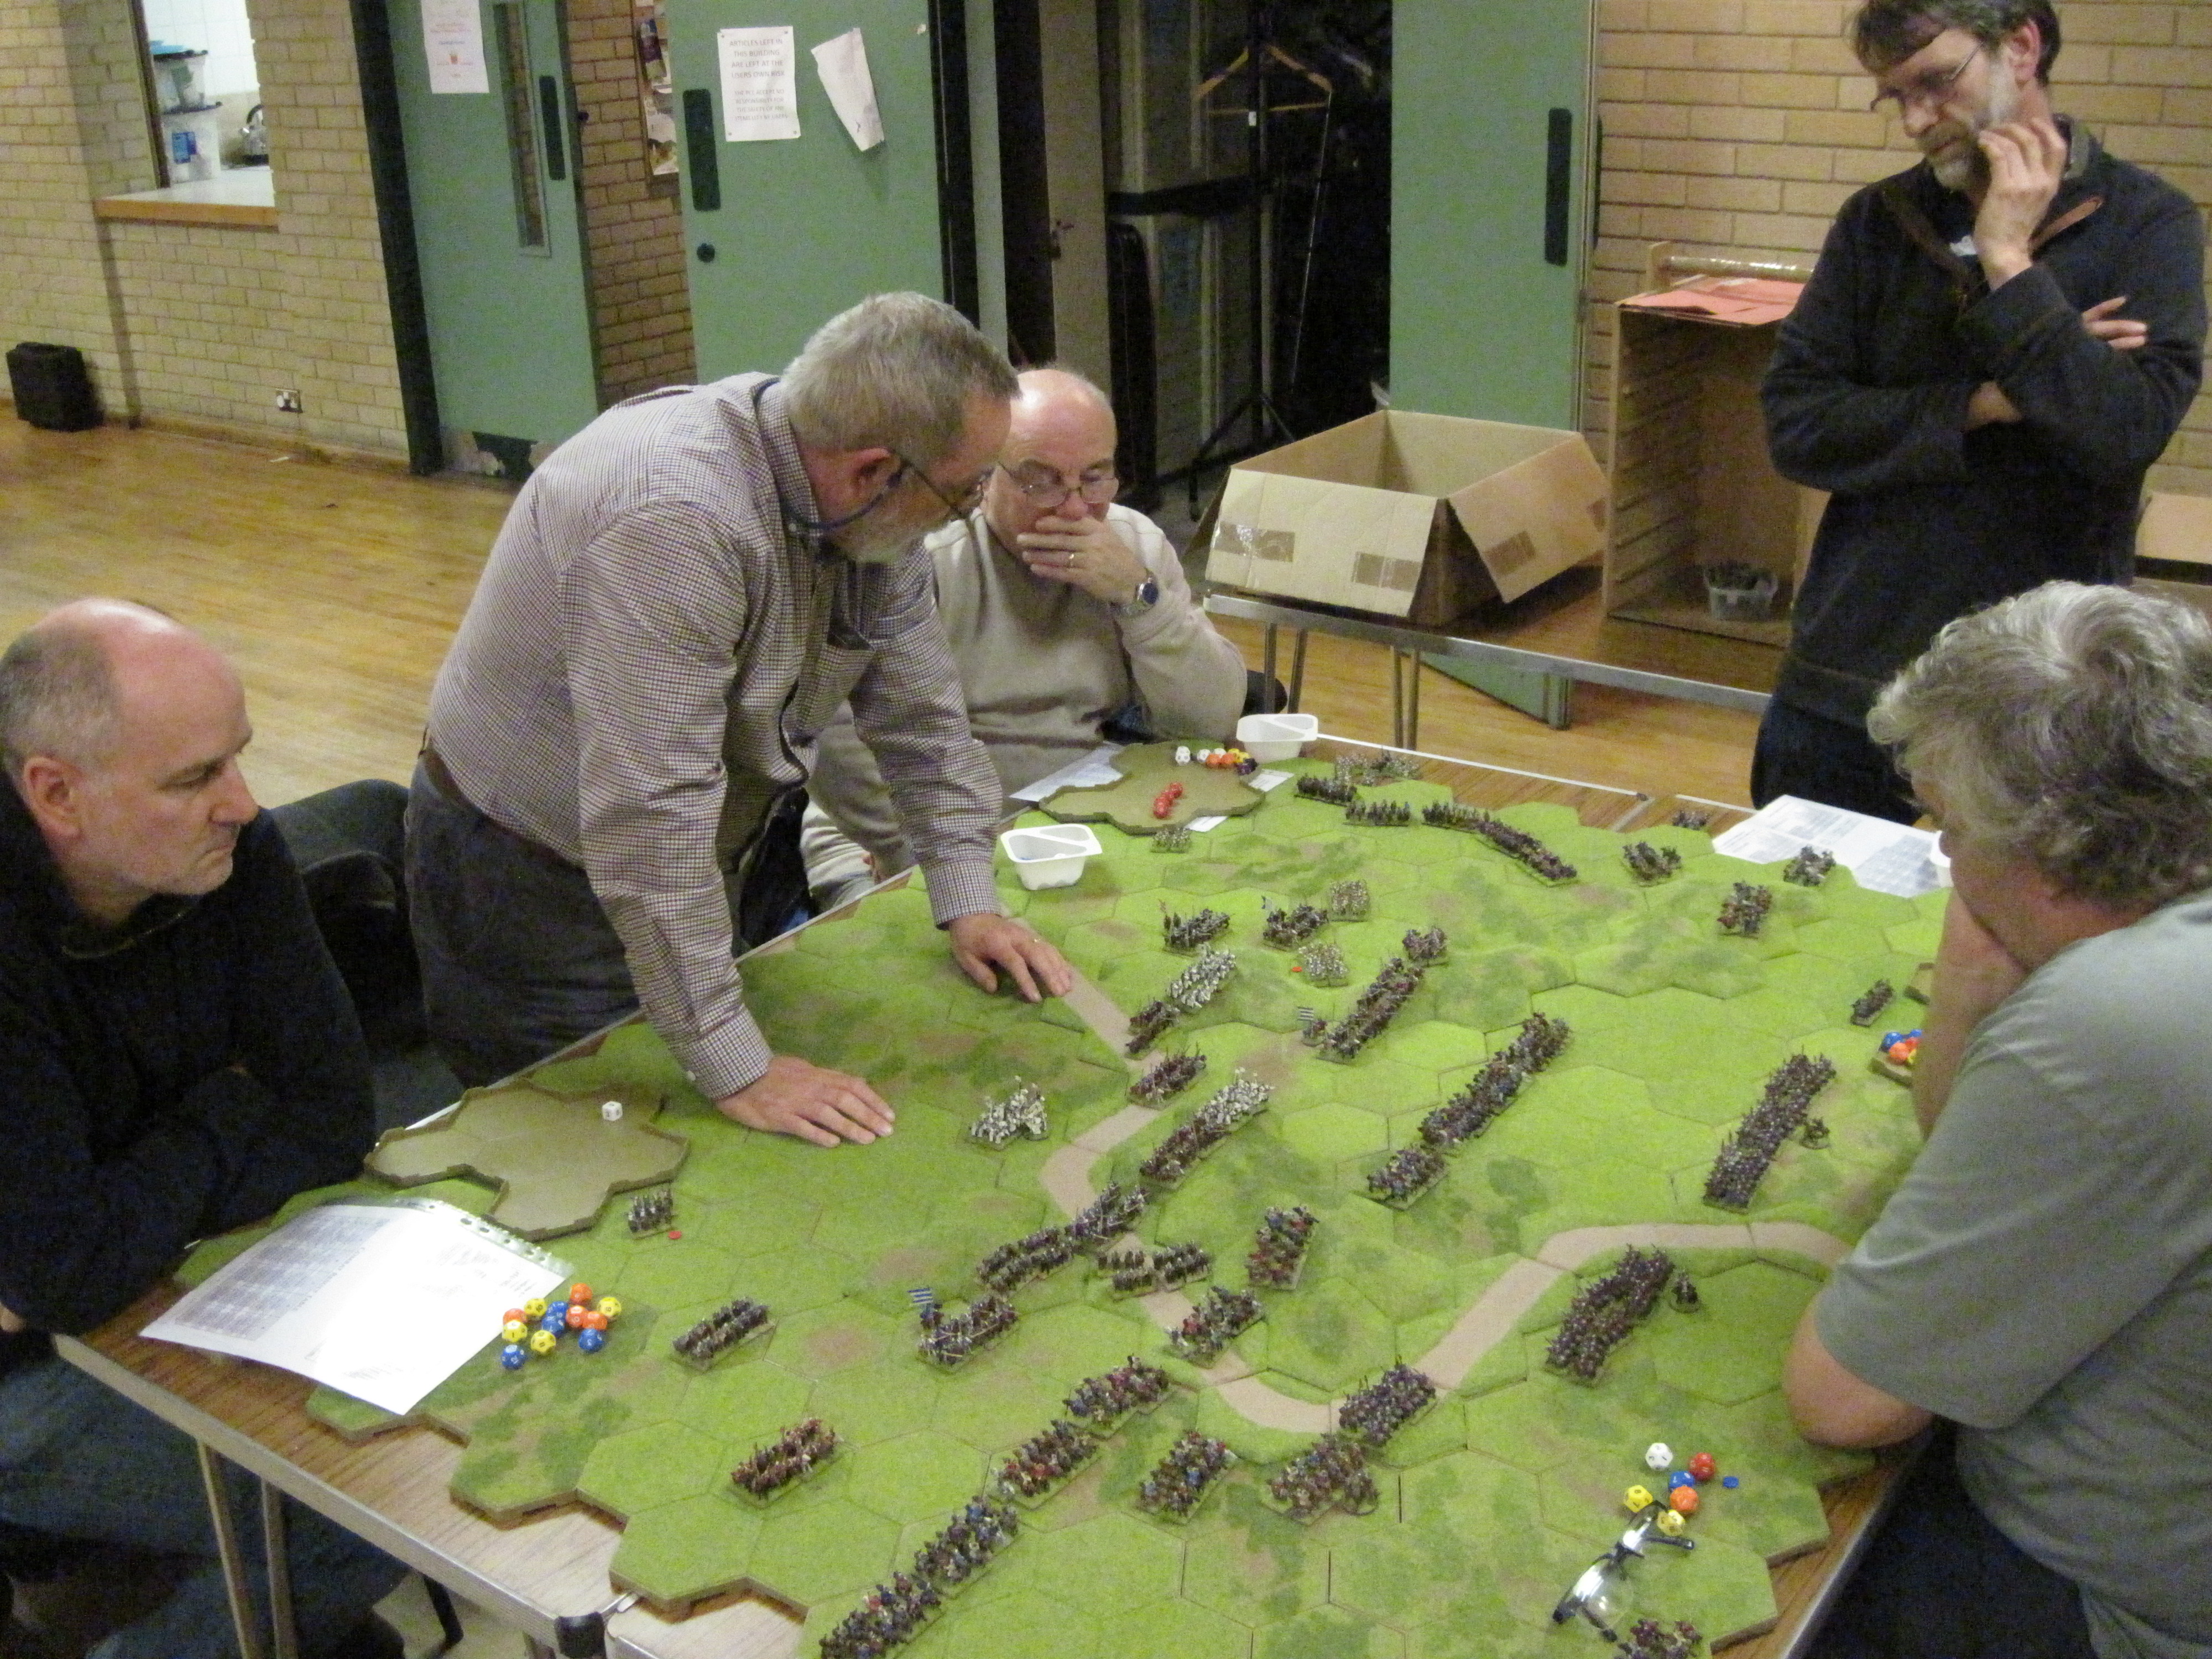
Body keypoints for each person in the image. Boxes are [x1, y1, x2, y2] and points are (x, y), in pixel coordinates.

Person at [409, 293, 1072, 1149]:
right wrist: (739, 1066)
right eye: (967, 489)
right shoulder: (669, 517)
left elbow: (924, 721)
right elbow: (651, 818)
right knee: (584, 1148)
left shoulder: (864, 502)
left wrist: (967, 897)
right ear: (873, 471)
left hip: (714, 847)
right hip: (533, 881)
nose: (974, 507)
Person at [1783, 581, 2212, 1659]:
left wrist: (1981, 965)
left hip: (2119, 1608)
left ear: (2051, 859)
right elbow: (1959, 1137)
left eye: (1949, 829)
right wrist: (1978, 967)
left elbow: (1843, 1400)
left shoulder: (2111, 1023)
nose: (1943, 860)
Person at [0, 601, 406, 1658]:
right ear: (55, 793)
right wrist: (230, 1105)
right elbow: (65, 1272)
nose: (244, 803)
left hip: (166, 1287)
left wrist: (130, 1195)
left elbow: (332, 1112)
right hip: (27, 1374)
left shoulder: (232, 852)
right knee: (364, 1511)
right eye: (192, 780)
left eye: (238, 757)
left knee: (417, 1444)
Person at [1755, 0, 2205, 820]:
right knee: (1800, 886)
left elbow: (2122, 433)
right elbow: (1797, 427)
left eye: (1937, 82)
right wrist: (1989, 401)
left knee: (2021, 904)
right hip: (1856, 658)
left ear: (2020, 48)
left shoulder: (2148, 222)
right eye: (1896, 96)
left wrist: (2008, 261)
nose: (1916, 121)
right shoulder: (1877, 222)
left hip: (2048, 684)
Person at [805, 366, 1249, 882]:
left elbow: (1211, 720)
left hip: (1078, 807)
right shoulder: (917, 560)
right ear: (984, 477)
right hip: (906, 836)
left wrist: (1140, 598)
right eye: (1041, 481)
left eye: (1094, 478)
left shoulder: (1133, 544)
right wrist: (912, 849)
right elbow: (832, 733)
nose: (1075, 508)